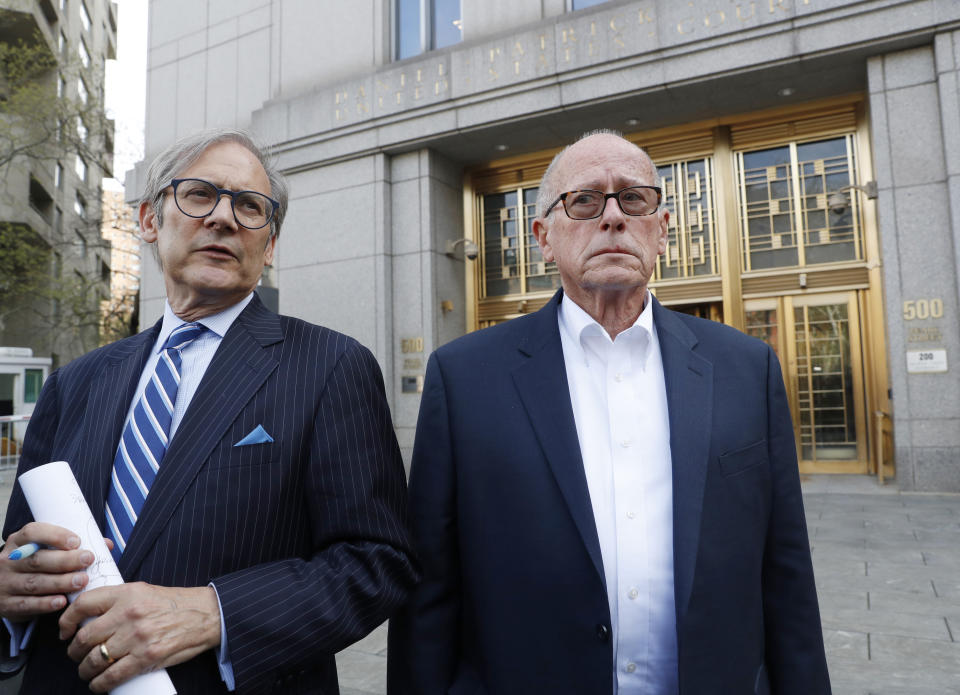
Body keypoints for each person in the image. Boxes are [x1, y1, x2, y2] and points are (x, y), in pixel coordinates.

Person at [388, 131, 830, 694]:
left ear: (662, 230)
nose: (614, 217)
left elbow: (786, 574)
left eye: (635, 199)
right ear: (543, 238)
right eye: (585, 200)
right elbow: (429, 591)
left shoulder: (747, 368)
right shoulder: (465, 377)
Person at [0, 129, 417, 694]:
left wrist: (215, 613)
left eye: (250, 206)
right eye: (200, 194)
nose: (224, 218)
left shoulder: (330, 365)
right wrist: (11, 591)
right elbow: (20, 551)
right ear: (149, 220)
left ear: (268, 247)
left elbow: (377, 563)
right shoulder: (74, 383)